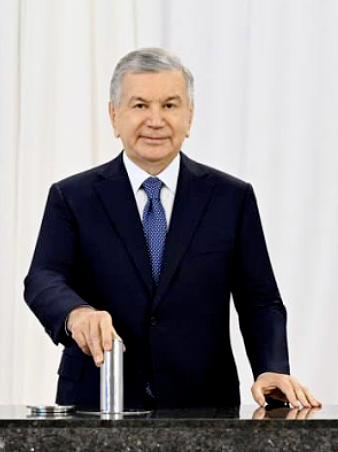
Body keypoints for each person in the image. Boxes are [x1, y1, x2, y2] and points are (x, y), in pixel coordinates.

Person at [24, 47, 319, 410]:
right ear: (114, 115)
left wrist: (271, 368)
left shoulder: (231, 198)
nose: (155, 120)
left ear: (189, 116)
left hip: (203, 404)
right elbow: (43, 278)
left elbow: (259, 300)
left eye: (169, 105)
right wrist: (77, 313)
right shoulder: (72, 196)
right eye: (140, 105)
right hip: (97, 400)